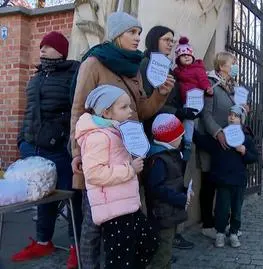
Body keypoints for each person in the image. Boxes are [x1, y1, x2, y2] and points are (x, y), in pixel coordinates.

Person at [70, 12, 174, 269]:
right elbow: (78, 110)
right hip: (98, 157)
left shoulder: (134, 68)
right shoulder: (94, 63)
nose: (138, 38)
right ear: (117, 34)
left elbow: (141, 111)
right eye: (132, 33)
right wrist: (76, 153)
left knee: (127, 222)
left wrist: (160, 95)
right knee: (93, 225)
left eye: (139, 33)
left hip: (129, 155)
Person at [12, 31, 82, 269]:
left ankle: (77, 248)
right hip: (33, 148)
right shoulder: (36, 77)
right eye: (41, 46)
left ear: (61, 50)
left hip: (59, 150)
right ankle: (43, 241)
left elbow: (77, 111)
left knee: (72, 198)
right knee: (43, 198)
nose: (42, 49)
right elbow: (29, 112)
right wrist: (22, 140)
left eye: (48, 46)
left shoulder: (74, 74)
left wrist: (64, 139)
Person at [76, 85, 158, 269]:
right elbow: (94, 174)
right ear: (106, 112)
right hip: (113, 211)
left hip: (128, 204)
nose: (130, 111)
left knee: (149, 242)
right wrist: (129, 169)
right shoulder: (97, 137)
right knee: (120, 260)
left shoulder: (116, 131)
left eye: (129, 106)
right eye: (124, 107)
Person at [140, 25, 195, 251]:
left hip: (172, 132)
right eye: (166, 39)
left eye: (173, 40)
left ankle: (170, 233)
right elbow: (149, 102)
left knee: (174, 181)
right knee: (158, 187)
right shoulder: (147, 65)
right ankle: (157, 240)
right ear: (154, 40)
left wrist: (186, 109)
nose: (171, 43)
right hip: (155, 134)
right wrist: (177, 112)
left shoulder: (168, 66)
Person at [194, 105, 258, 248]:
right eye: (230, 115)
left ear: (242, 120)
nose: (232, 117)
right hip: (223, 180)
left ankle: (234, 233)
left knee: (236, 210)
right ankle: (220, 233)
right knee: (221, 209)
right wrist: (190, 126)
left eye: (235, 115)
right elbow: (203, 142)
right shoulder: (221, 136)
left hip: (239, 181)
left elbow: (254, 157)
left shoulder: (246, 138)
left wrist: (244, 151)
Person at [198, 51, 240, 239]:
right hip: (211, 139)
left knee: (224, 182)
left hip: (229, 141)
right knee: (209, 182)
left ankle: (223, 221)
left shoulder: (233, 87)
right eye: (233, 62)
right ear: (222, 66)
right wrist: (217, 132)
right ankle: (207, 224)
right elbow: (205, 114)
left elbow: (236, 114)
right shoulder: (211, 83)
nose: (236, 65)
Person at [144, 113, 193, 268]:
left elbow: (171, 183)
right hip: (162, 215)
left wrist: (184, 191)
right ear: (169, 138)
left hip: (168, 213)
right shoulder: (159, 159)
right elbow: (157, 189)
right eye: (179, 136)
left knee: (166, 252)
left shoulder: (168, 154)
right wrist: (180, 198)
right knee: (162, 255)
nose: (182, 139)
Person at [173, 36, 213, 160]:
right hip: (184, 100)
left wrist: (207, 88)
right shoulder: (177, 71)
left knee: (189, 120)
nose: (186, 57)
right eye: (183, 55)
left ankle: (188, 144)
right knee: (186, 121)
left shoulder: (197, 69)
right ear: (178, 59)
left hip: (194, 100)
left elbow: (203, 80)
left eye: (189, 55)